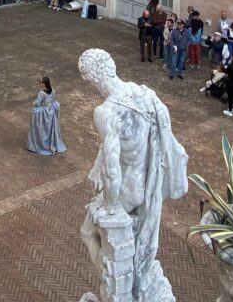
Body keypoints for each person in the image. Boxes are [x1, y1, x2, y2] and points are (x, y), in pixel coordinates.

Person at [77, 49, 188, 300]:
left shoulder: (106, 112)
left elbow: (112, 169)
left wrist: (108, 205)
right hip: (147, 183)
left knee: (87, 232)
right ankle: (132, 282)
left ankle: (116, 290)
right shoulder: (143, 93)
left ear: (93, 77)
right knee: (136, 244)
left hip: (126, 190)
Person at [27, 77, 66, 155]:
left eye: (41, 82)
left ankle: (42, 144)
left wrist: (33, 103)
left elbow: (38, 102)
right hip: (51, 110)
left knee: (41, 127)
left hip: (44, 111)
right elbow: (53, 99)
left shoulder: (41, 93)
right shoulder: (53, 90)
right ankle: (50, 142)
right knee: (50, 128)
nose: (40, 83)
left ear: (44, 84)